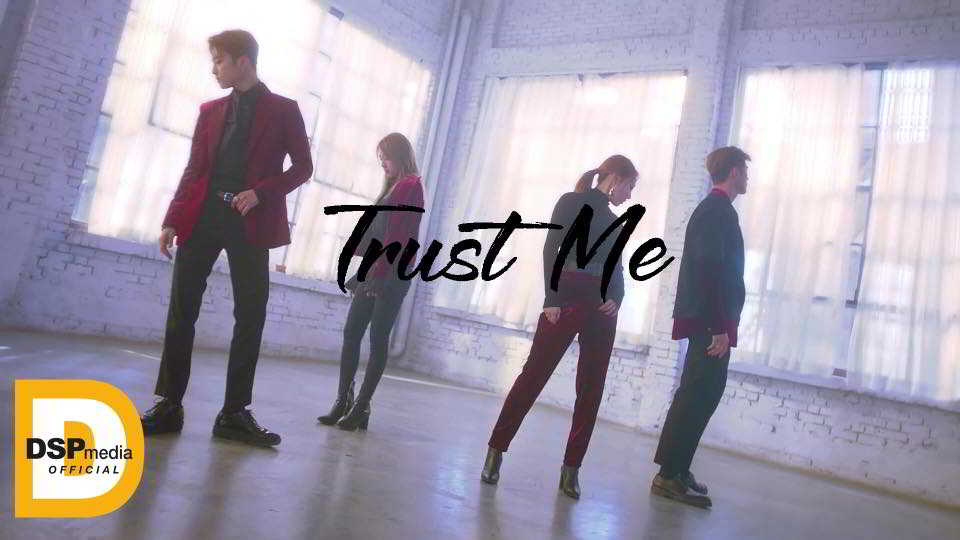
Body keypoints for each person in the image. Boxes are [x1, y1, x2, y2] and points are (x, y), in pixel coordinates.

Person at [140, 29, 313, 447]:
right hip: (203, 217)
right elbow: (194, 169)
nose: (214, 69)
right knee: (182, 309)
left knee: (250, 315)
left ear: (243, 62)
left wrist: (261, 193)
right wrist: (172, 219)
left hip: (249, 219)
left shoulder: (284, 110)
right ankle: (169, 406)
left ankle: (234, 413)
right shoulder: (210, 111)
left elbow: (303, 167)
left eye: (219, 60)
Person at [480, 155, 638, 499]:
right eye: (630, 186)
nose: (630, 195)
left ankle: (571, 470)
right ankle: (495, 450)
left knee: (591, 388)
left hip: (601, 308)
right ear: (614, 178)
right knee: (533, 376)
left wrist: (618, 297)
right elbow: (552, 248)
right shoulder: (570, 202)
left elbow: (616, 267)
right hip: (564, 298)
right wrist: (551, 298)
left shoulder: (617, 221)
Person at [650, 146, 749, 508]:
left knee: (703, 393)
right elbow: (710, 270)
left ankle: (678, 469)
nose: (748, 178)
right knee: (696, 393)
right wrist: (718, 327)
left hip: (713, 321)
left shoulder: (720, 210)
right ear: (733, 172)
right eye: (745, 171)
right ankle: (668, 475)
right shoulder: (715, 211)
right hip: (710, 323)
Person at [317, 133, 425, 431]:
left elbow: (399, 235)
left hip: (392, 273)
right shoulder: (394, 186)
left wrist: (380, 275)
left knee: (377, 338)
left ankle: (361, 406)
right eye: (380, 159)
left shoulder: (411, 185)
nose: (382, 164)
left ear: (399, 155)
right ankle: (343, 400)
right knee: (352, 332)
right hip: (375, 268)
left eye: (385, 158)